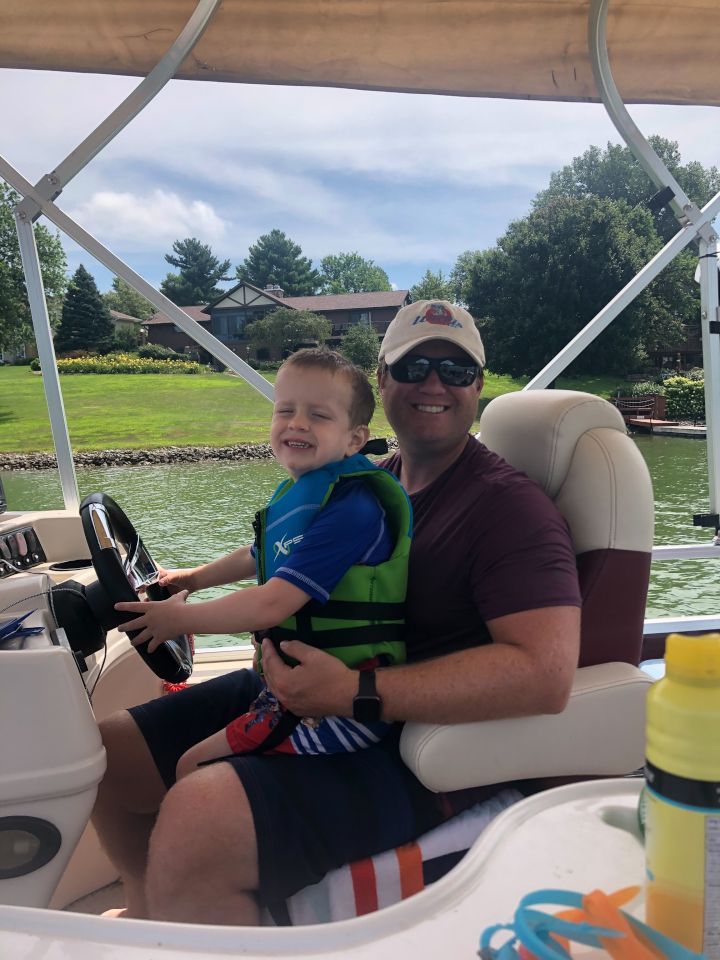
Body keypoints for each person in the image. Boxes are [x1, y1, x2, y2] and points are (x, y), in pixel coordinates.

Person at [93, 299, 581, 926]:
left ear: (478, 386)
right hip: (299, 687)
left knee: (200, 819)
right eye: (414, 367)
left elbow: (544, 674)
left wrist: (355, 691)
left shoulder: (510, 510)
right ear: (382, 380)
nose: (434, 384)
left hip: (409, 738)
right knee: (109, 758)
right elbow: (276, 550)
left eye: (456, 370)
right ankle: (146, 916)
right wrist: (188, 579)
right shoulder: (366, 479)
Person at [114, 347, 411, 764]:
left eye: (318, 415)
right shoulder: (304, 495)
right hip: (286, 687)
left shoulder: (354, 510)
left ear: (355, 439)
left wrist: (179, 619)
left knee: (192, 765)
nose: (297, 423)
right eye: (285, 410)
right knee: (135, 747)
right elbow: (259, 554)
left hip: (338, 710)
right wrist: (190, 579)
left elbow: (271, 604)